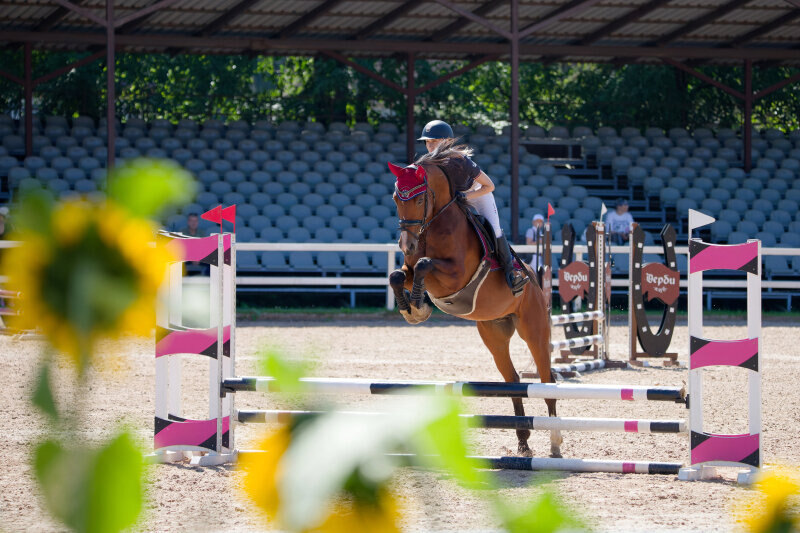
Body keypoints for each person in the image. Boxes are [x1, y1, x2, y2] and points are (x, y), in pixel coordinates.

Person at [417, 119, 526, 295]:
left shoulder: (460, 160)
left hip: (476, 193)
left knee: (495, 229)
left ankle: (512, 272)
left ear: (447, 141)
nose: (429, 146)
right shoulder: (427, 162)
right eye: (427, 142)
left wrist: (465, 197)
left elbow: (489, 186)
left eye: (434, 141)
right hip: (452, 200)